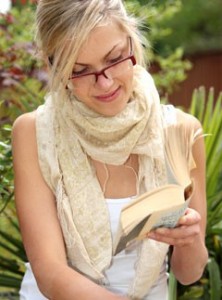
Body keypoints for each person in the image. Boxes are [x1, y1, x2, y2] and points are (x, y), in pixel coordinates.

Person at [12, 0, 208, 299]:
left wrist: (190, 239)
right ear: (53, 67)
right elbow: (50, 272)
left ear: (131, 42)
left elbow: (188, 273)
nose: (104, 83)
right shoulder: (35, 132)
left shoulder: (181, 131)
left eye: (115, 58)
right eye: (80, 70)